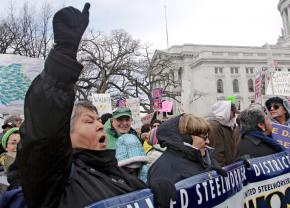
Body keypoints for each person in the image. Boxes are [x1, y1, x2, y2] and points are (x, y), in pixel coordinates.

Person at [14, 4, 150, 208]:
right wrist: (63, 58)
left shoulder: (118, 172)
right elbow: (45, 133)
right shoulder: (54, 182)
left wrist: (156, 192)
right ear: (65, 135)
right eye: (89, 120)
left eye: (97, 119)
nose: (99, 125)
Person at [148, 114, 226, 186]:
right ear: (188, 138)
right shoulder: (162, 170)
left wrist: (208, 175)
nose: (208, 141)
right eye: (204, 137)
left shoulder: (204, 157)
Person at [207, 101, 237, 166]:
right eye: (233, 113)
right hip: (223, 169)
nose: (234, 116)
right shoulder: (214, 126)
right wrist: (223, 170)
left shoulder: (227, 125)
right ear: (226, 111)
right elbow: (216, 152)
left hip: (229, 167)